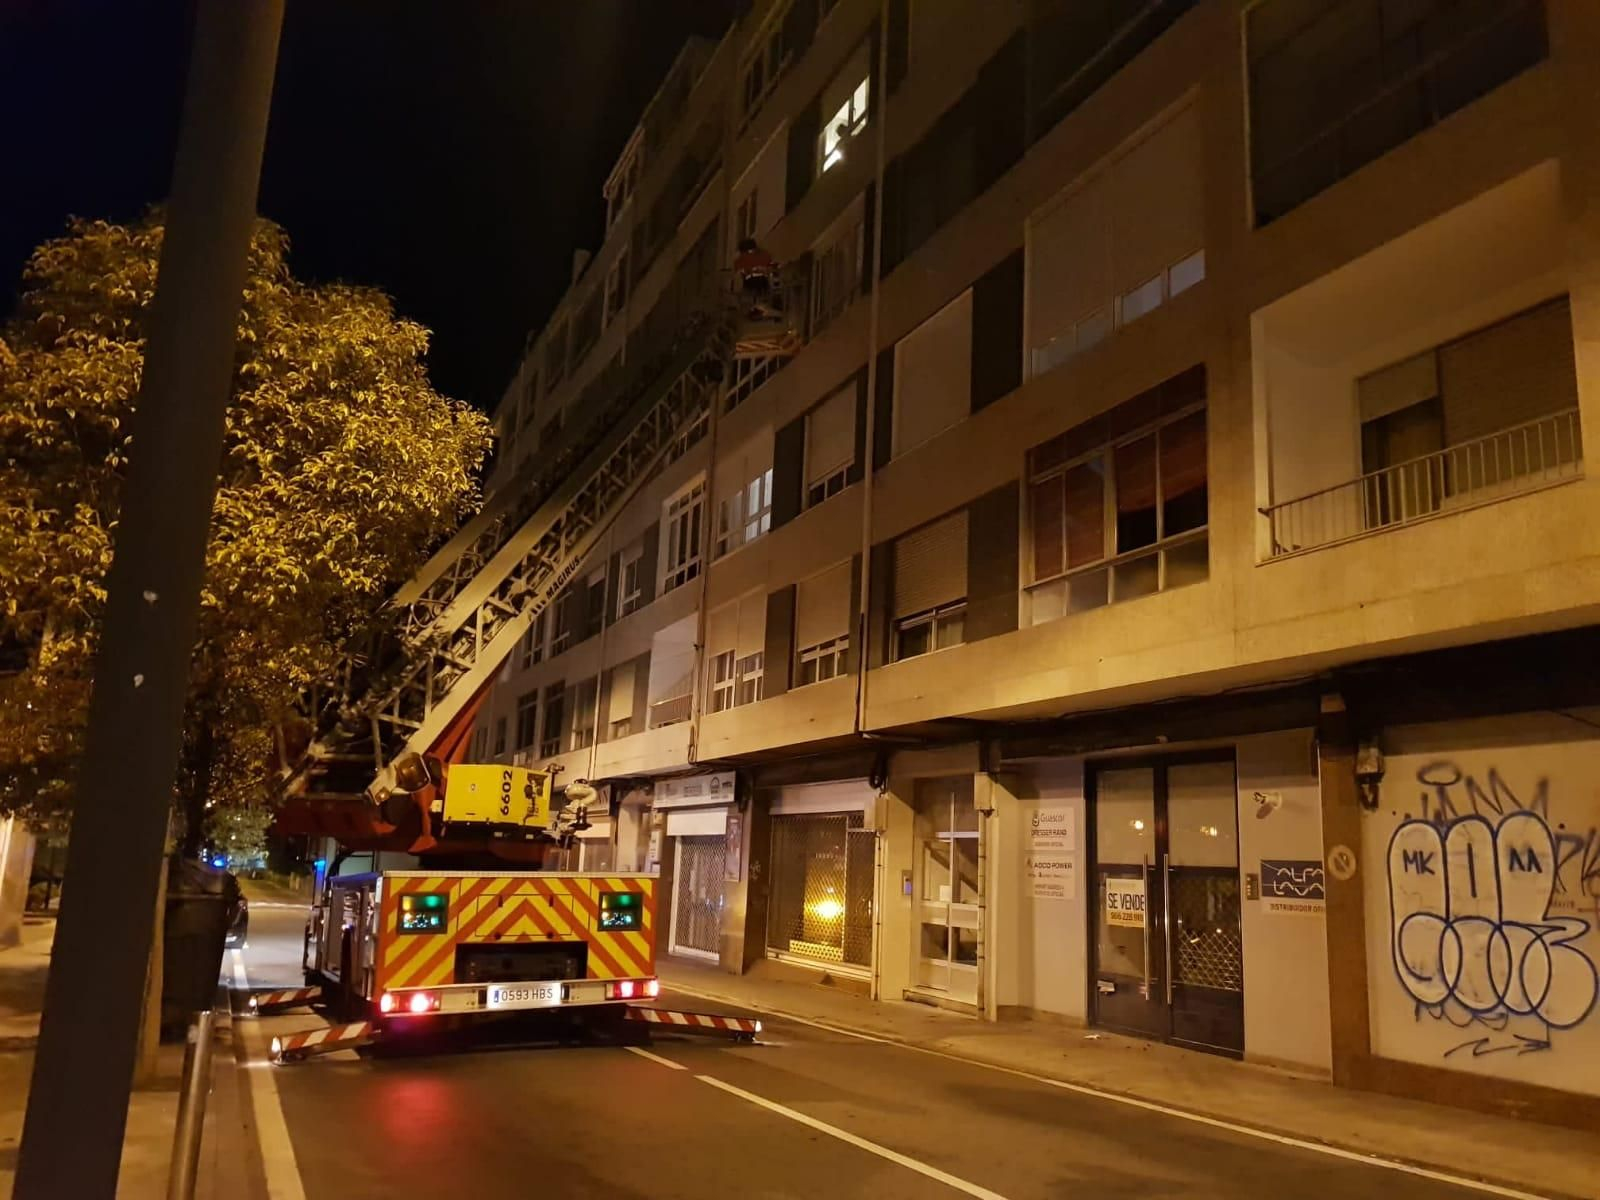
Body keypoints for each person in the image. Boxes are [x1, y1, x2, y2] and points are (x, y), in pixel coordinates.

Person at [734, 237, 777, 318]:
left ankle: (754, 310)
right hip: (763, 281)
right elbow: (771, 265)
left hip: (750, 282)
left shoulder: (741, 258)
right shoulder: (764, 255)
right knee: (762, 298)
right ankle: (762, 309)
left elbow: (740, 272)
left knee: (750, 298)